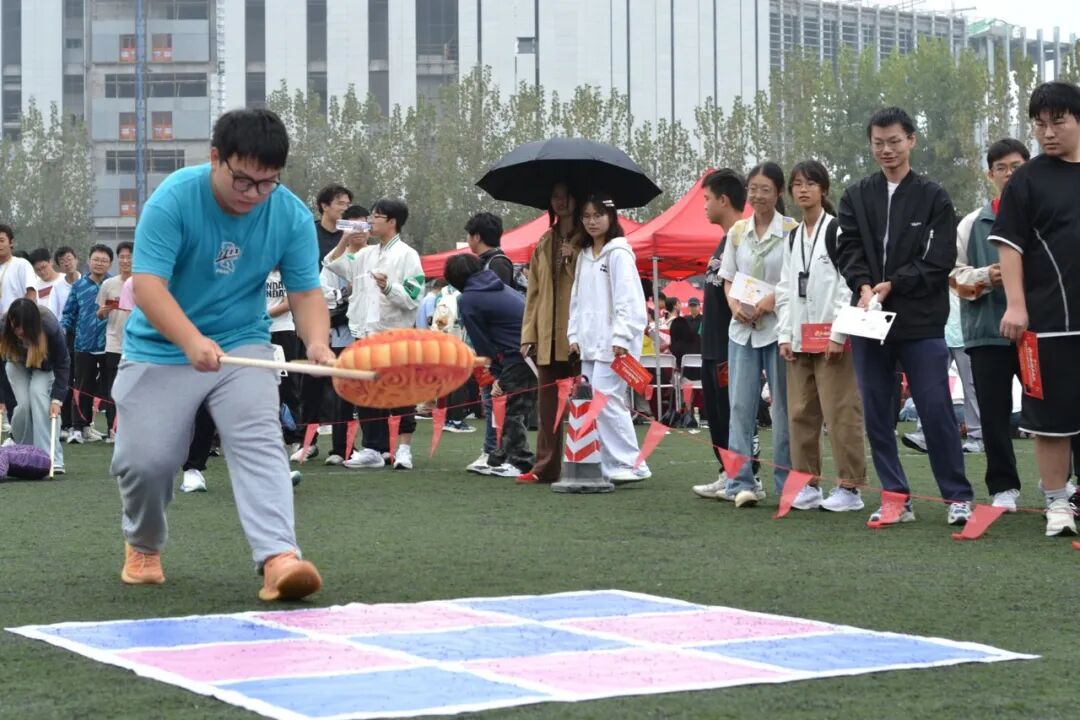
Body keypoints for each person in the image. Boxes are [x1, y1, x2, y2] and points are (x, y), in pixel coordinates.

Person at [111, 108, 326, 600]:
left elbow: (305, 291)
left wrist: (317, 342)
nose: (253, 194)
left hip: (241, 344)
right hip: (160, 347)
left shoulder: (290, 214)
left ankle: (279, 557)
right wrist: (190, 340)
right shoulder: (173, 199)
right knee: (147, 462)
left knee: (259, 440)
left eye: (267, 183)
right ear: (215, 158)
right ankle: (143, 544)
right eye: (243, 180)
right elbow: (147, 286)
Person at [835, 106, 975, 526]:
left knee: (934, 408)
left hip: (921, 320)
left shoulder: (934, 197)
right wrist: (863, 285)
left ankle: (957, 497)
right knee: (878, 412)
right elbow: (847, 248)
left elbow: (939, 258)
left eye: (894, 141)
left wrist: (894, 283)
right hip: (868, 318)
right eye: (878, 143)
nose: (887, 150)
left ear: (911, 140)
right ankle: (896, 497)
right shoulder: (855, 195)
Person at [992, 81, 1080, 537]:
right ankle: (1057, 502)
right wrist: (1016, 305)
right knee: (1051, 420)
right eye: (1039, 124)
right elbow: (1009, 245)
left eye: (1058, 122)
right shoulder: (1027, 179)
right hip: (1048, 323)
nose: (1047, 132)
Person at [775, 160, 867, 512]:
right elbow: (785, 289)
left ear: (823, 190)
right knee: (800, 414)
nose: (803, 190)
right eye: (797, 184)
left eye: (810, 183)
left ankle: (850, 488)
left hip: (832, 338)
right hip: (800, 337)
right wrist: (785, 334)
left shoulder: (838, 230)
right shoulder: (793, 236)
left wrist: (839, 333)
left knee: (841, 412)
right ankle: (807, 483)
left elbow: (848, 285)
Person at [951, 137, 1030, 511]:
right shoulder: (971, 223)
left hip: (1037, 334)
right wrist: (985, 276)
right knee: (994, 416)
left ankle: (1060, 485)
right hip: (987, 333)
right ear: (990, 174)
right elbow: (953, 277)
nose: (1009, 174)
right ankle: (1003, 487)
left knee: (1053, 412)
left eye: (1017, 167)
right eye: (1002, 168)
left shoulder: (1044, 216)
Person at [324, 198, 424, 471]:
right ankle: (374, 448)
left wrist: (389, 287)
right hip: (365, 331)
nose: (370, 221)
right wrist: (345, 239)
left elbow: (414, 296)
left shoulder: (407, 255)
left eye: (376, 216)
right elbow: (333, 263)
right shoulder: (366, 254)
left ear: (392, 222)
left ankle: (404, 448)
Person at [718, 162, 795, 507]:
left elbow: (794, 278)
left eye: (765, 189)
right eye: (753, 189)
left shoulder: (792, 231)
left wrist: (769, 302)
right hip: (742, 331)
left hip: (778, 329)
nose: (758, 196)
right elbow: (728, 277)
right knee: (739, 406)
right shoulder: (737, 232)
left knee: (782, 408)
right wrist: (734, 305)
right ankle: (739, 483)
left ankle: (787, 484)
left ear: (778, 192)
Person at [567, 193, 650, 484]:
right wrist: (573, 334)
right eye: (587, 216)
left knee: (606, 401)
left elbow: (629, 300)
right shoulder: (584, 255)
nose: (592, 222)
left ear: (611, 217)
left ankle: (631, 463)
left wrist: (622, 337)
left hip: (614, 344)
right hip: (589, 343)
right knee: (594, 402)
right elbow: (577, 299)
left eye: (598, 215)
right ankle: (612, 461)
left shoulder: (619, 254)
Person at [446, 253, 533, 477]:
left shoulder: (468, 299)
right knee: (513, 405)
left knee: (511, 408)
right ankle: (499, 456)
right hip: (530, 350)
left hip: (516, 355)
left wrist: (496, 375)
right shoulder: (500, 287)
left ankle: (519, 462)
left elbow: (481, 342)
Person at [518, 183, 582, 484]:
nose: (560, 202)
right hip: (547, 336)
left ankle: (590, 465)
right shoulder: (544, 241)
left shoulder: (589, 240)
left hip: (578, 336)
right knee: (547, 408)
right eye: (555, 196)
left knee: (587, 404)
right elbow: (533, 292)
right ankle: (544, 468)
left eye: (566, 196)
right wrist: (528, 335)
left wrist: (574, 256)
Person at [691, 170, 749, 500]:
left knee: (732, 414)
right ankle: (727, 473)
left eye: (707, 199)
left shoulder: (743, 239)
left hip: (732, 346)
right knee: (715, 415)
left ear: (724, 200)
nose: (704, 206)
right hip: (711, 346)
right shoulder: (724, 241)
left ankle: (746, 477)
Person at [290, 184, 355, 463]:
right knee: (311, 384)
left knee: (344, 383)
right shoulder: (309, 233)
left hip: (346, 319)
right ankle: (307, 441)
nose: (344, 208)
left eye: (348, 203)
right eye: (340, 203)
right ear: (324, 206)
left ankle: (343, 446)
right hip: (313, 316)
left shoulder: (352, 235)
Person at [0, 299, 68, 474]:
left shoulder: (50, 326)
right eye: (15, 327)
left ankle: (50, 457)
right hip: (16, 363)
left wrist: (57, 400)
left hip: (43, 366)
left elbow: (62, 363)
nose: (19, 332)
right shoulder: (3, 326)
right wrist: (1, 398)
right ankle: (24, 454)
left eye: (23, 327)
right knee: (22, 405)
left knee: (39, 397)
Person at [61, 243, 112, 445]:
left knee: (110, 388)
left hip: (110, 345)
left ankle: (113, 429)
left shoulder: (114, 285)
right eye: (96, 259)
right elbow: (68, 313)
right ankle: (79, 427)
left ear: (110, 264)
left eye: (104, 260)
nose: (99, 263)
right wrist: (63, 330)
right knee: (82, 388)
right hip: (83, 345)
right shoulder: (79, 286)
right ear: (89, 261)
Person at [97, 241, 134, 442]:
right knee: (113, 387)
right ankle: (113, 429)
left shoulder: (143, 283)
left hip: (136, 345)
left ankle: (131, 429)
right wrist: (103, 311)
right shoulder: (108, 284)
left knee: (134, 388)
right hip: (113, 342)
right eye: (122, 257)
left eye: (129, 256)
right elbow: (99, 313)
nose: (126, 260)